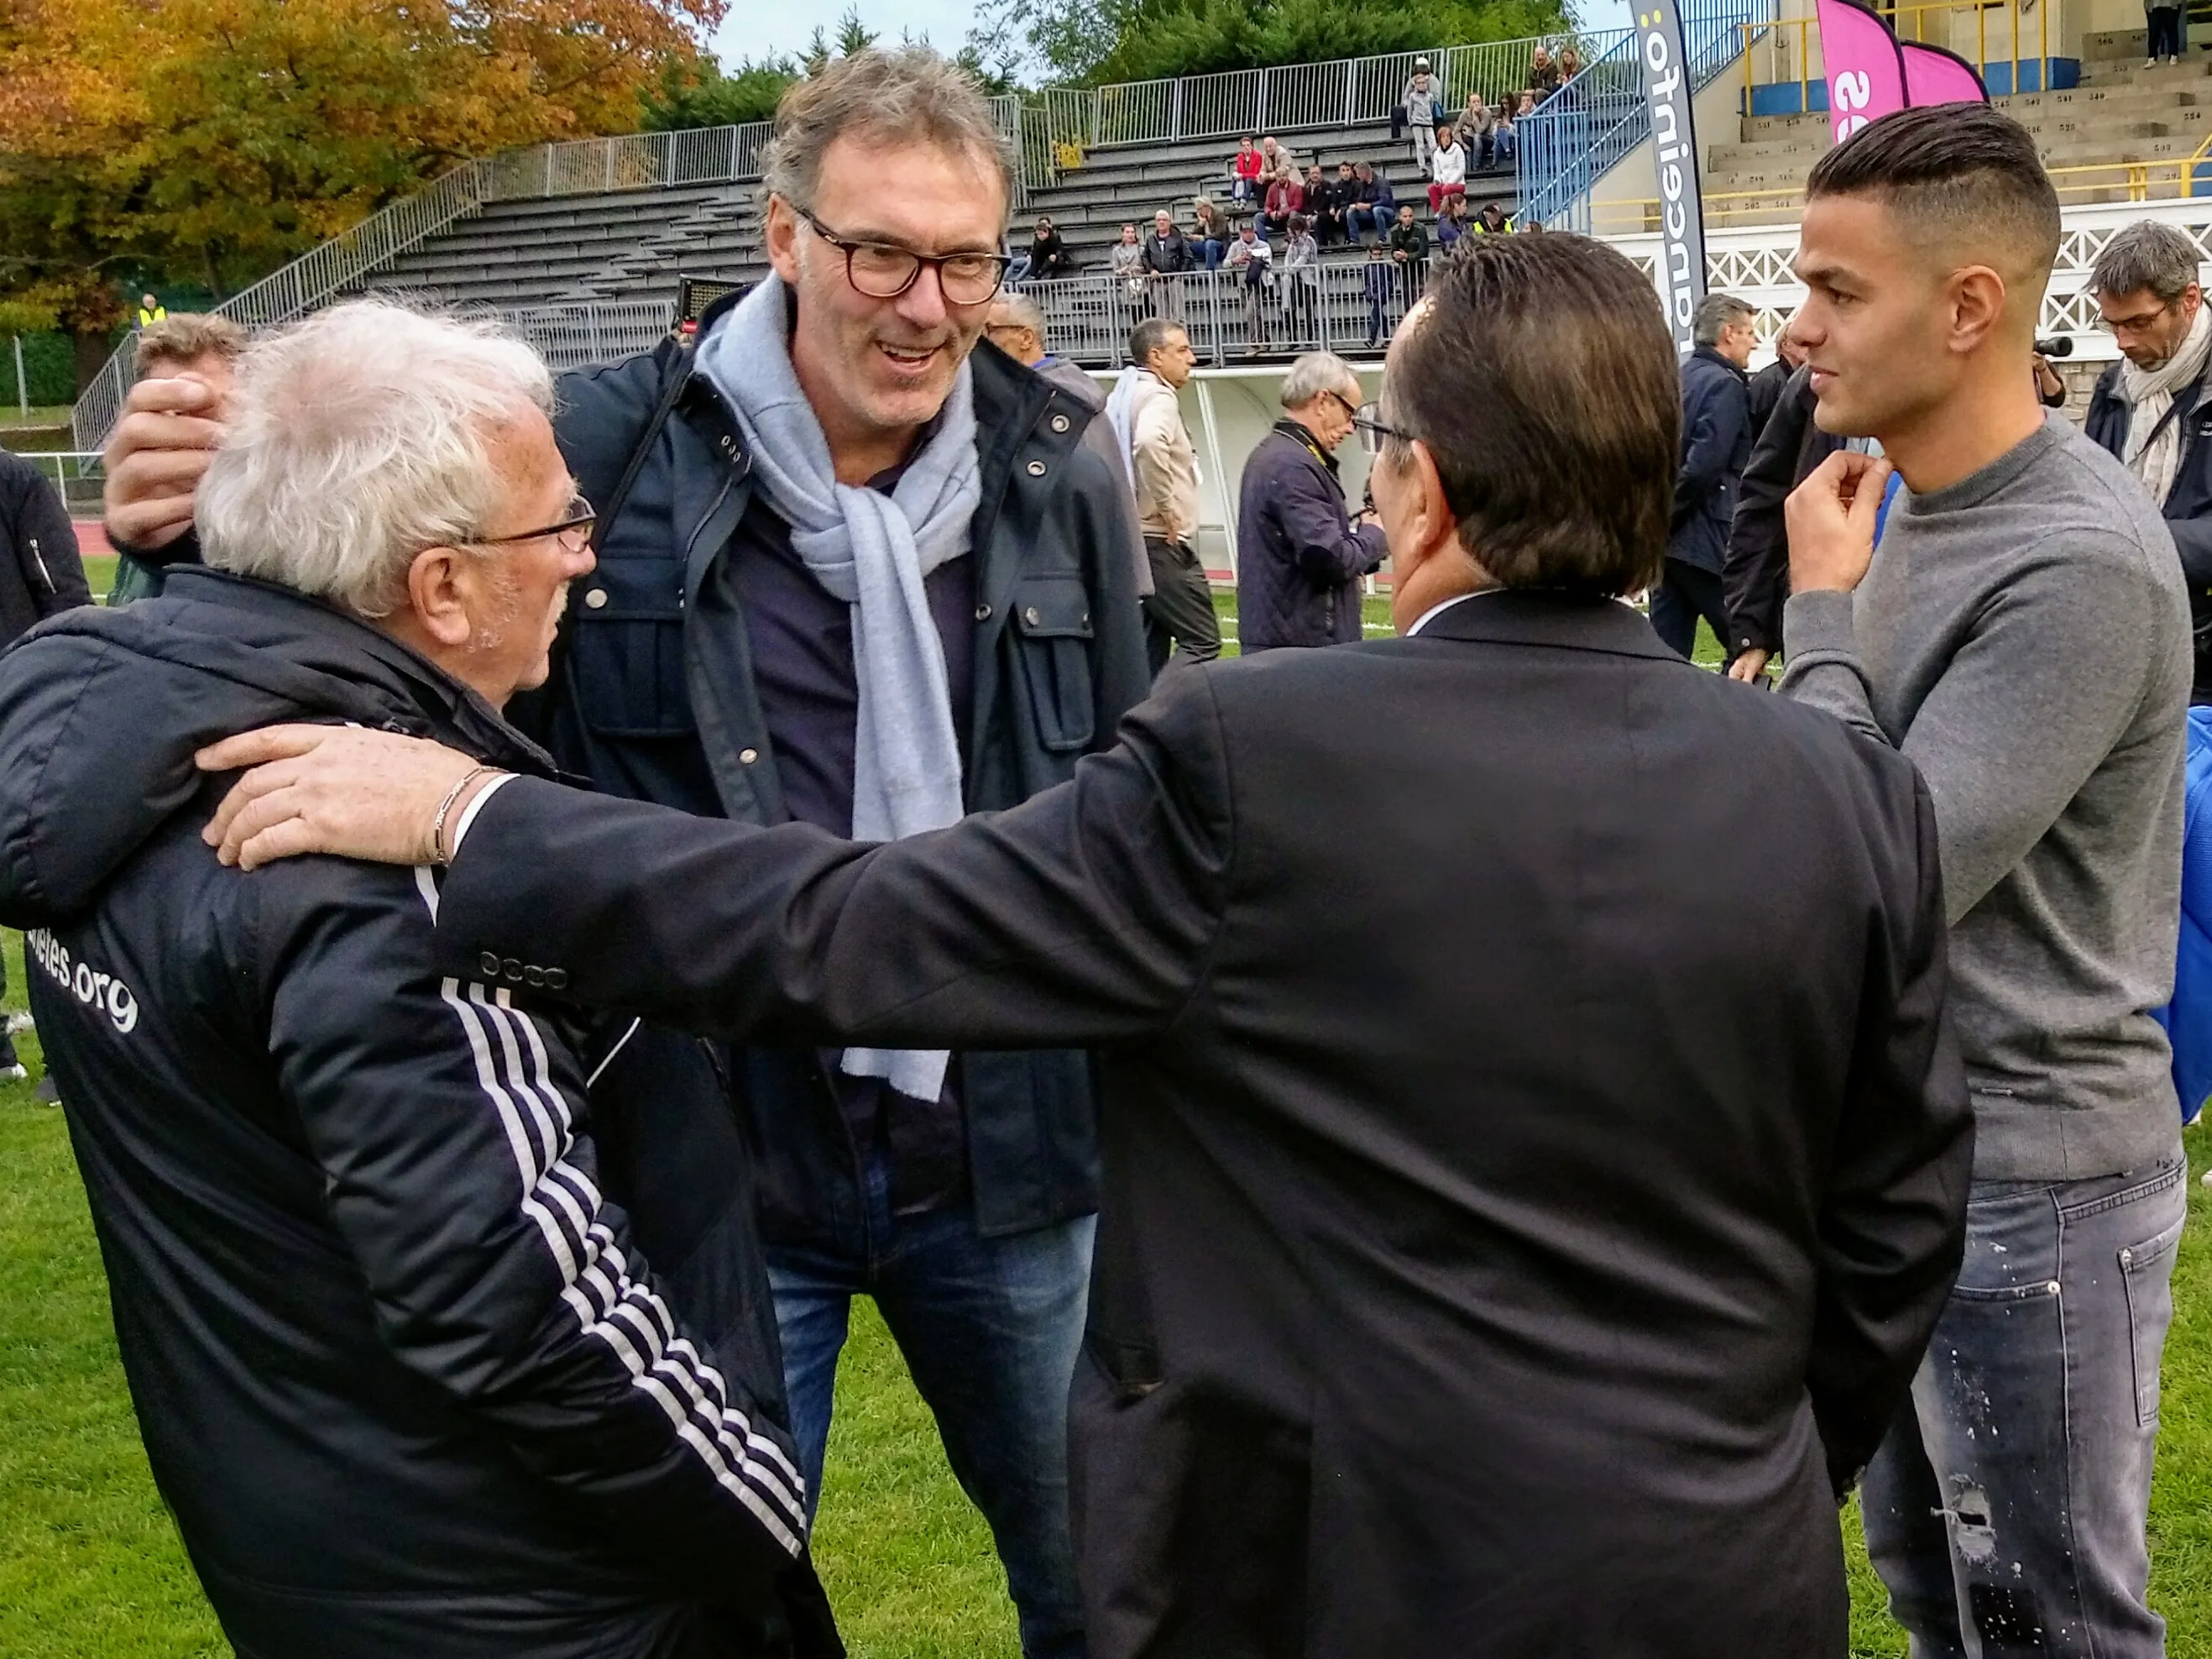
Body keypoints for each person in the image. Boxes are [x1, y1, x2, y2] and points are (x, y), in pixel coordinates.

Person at [195, 232, 1974, 1659]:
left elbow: (848, 929)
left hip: (1326, 1582)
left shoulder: (1256, 756)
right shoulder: (1841, 784)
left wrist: (465, 814)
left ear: (1417, 493)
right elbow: (1893, 1225)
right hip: (1704, 1568)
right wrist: (1744, 1467)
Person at [103, 49, 1148, 1659]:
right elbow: (351, 637)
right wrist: (196, 539)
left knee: (1101, 1582)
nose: (926, 305)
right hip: (718, 1147)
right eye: (881, 251)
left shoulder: (1057, 464)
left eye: (964, 260)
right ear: (783, 235)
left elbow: (1107, 828)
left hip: (1005, 1148)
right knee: (704, 1586)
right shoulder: (595, 452)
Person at [0, 299, 840, 1658]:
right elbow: (515, 1302)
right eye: (559, 526)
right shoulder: (385, 863)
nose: (585, 559)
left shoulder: (117, 754)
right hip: (545, 1600)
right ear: (439, 587)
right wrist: (747, 1500)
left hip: (310, 1554)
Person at [1780, 105, 2189, 1659]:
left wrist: (1819, 622)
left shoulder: (2074, 563)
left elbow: (1871, 879)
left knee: (2048, 1625)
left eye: (1839, 289)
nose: (1802, 326)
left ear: (1968, 310)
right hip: (1906, 1159)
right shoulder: (1907, 506)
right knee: (1933, 1598)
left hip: (2033, 1181)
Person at [2084, 218, 2212, 702]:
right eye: (2112, 324)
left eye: (2139, 322)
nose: (2122, 342)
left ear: (2190, 300)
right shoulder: (2114, 385)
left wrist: (2141, 541)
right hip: (2125, 639)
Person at [0, 447, 92, 1086]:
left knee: (51, 878)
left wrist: (59, 699)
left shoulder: (14, 480)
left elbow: (64, 596)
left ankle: (71, 1050)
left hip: (24, 714)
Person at [985, 291, 1153, 606]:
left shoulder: (1058, 402)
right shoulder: (1052, 395)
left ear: (1025, 337)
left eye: (990, 330)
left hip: (1067, 575)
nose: (981, 342)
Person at [1234, 352, 1385, 650]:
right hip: (1300, 649)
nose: (1351, 428)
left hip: (1288, 643)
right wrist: (1375, 534)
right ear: (1323, 401)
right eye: (1349, 414)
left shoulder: (1282, 455)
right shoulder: (1292, 464)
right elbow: (1329, 558)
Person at [105, 313, 249, 605]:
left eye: (220, 407)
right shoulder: (141, 529)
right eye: (168, 409)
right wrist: (155, 551)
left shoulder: (293, 521)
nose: (190, 433)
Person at [1722, 357, 1843, 682]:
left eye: (1843, 301)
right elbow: (1767, 499)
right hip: (1819, 621)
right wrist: (1754, 631)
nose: (1803, 329)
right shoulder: (1813, 379)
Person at [1111, 317, 1219, 672]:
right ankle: (1168, 716)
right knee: (1202, 641)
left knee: (1148, 646)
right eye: (1183, 350)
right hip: (1161, 542)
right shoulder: (1158, 396)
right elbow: (1149, 442)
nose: (1192, 358)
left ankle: (1136, 720)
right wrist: (1167, 508)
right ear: (1156, 356)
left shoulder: (1124, 393)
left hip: (1133, 539)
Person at [1653, 291, 1756, 661]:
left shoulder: (1679, 378)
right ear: (1729, 333)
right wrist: (1671, 515)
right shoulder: (1726, 385)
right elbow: (1706, 465)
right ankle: (1736, 717)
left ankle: (1663, 717)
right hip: (1707, 539)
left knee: (1665, 653)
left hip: (1670, 546)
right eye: (1749, 333)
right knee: (1746, 642)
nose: (1754, 343)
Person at [1746, 328, 1807, 438]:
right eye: (1803, 343)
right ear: (1786, 345)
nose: (1809, 348)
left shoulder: (1798, 378)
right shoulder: (1768, 380)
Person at [1224, 220, 1274, 353]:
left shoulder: (1263, 245)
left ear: (1254, 232)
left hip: (1258, 283)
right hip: (1242, 284)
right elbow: (1225, 263)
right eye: (1245, 232)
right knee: (1253, 313)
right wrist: (1236, 260)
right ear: (1241, 233)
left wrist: (1255, 258)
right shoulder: (1235, 246)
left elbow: (1269, 262)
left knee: (1250, 312)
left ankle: (1254, 343)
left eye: (1250, 232)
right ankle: (1264, 339)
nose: (1248, 235)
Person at [1142, 207, 1195, 319]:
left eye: (1164, 220)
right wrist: (1151, 269)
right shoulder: (1151, 239)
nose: (1161, 222)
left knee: (1179, 314)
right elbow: (1145, 257)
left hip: (1174, 280)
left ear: (1169, 222)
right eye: (1159, 220)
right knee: (1161, 316)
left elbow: (1188, 256)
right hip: (1158, 281)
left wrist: (1179, 273)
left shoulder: (1178, 237)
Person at [1279, 212, 1321, 344]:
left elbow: (1303, 259)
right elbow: (1288, 257)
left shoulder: (1308, 241)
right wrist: (1287, 270)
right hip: (1294, 280)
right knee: (1290, 309)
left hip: (1308, 280)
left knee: (1309, 310)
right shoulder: (1293, 242)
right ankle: (1293, 339)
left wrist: (1290, 269)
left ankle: (1310, 339)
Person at [1402, 57, 1445, 171]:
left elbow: (1433, 101)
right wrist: (1411, 121)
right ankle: (1422, 166)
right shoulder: (1412, 90)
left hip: (1428, 121)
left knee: (1433, 145)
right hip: (1417, 122)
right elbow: (1406, 100)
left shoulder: (1433, 82)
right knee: (1420, 145)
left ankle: (1435, 164)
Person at [1387, 203, 1429, 308]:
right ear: (1400, 217)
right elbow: (1393, 250)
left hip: (1420, 268)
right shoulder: (1395, 231)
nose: (1408, 219)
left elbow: (1423, 251)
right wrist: (1396, 256)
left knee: (1421, 294)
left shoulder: (1420, 229)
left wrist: (1407, 256)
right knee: (1407, 295)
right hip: (1405, 269)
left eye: (1410, 216)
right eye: (1405, 216)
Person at [1347, 160, 1394, 243]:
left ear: (1364, 172)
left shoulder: (1382, 182)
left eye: (1358, 173)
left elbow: (1384, 201)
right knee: (1350, 212)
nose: (1357, 176)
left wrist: (1368, 206)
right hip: (1370, 212)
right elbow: (1360, 200)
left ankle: (1382, 238)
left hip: (1386, 211)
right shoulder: (1363, 185)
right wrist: (1357, 206)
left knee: (1377, 209)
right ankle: (1354, 239)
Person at [1427, 123, 1467, 215]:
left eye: (1448, 136)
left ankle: (1445, 212)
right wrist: (1437, 180)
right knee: (1431, 188)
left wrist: (1449, 183)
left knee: (1446, 189)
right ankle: (1438, 212)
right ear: (1440, 139)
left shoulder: (1457, 150)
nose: (1446, 139)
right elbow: (1437, 171)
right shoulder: (1437, 153)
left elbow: (1461, 170)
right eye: (1443, 137)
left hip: (1458, 184)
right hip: (1444, 184)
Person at [1363, 239, 1397, 347]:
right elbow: (1365, 282)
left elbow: (1392, 282)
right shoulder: (1367, 268)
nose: (1377, 256)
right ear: (1370, 254)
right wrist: (1367, 293)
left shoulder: (1386, 267)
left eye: (1379, 254)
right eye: (1375, 254)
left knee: (1376, 316)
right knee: (1380, 317)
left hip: (1382, 294)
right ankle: (1387, 339)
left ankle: (1371, 340)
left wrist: (1385, 292)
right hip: (1372, 295)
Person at [1317, 160, 1357, 247]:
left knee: (1344, 214)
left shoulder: (1356, 184)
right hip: (1338, 211)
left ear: (1351, 171)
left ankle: (1348, 238)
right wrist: (1332, 207)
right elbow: (1334, 200)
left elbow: (1354, 200)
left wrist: (1340, 209)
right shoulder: (1336, 185)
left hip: (1349, 209)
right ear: (1339, 173)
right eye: (1343, 170)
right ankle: (1329, 240)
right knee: (1322, 216)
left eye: (1347, 170)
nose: (1346, 173)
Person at [1023, 216, 1075, 282]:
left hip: (1054, 257)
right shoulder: (1038, 238)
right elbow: (1035, 251)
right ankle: (1034, 275)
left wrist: (1056, 255)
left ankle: (1041, 274)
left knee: (1053, 259)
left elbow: (1060, 249)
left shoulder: (1055, 237)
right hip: (1043, 257)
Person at [1190, 196, 1232, 270]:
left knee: (1210, 243)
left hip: (1220, 245)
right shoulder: (1201, 217)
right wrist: (1200, 224)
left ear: (1207, 207)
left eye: (1200, 209)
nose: (1199, 212)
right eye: (1197, 209)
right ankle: (1191, 268)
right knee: (1188, 244)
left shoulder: (1218, 214)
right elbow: (1194, 234)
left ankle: (1210, 271)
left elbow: (1220, 234)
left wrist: (1203, 238)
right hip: (1206, 245)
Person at [1262, 166, 1303, 238]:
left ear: (1287, 176)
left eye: (1283, 175)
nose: (1281, 178)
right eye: (1279, 176)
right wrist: (1270, 212)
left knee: (1293, 213)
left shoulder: (1296, 187)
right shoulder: (1272, 187)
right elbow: (1267, 205)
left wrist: (1283, 212)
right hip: (1277, 216)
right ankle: (1263, 242)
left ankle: (1289, 239)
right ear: (1276, 177)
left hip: (1289, 216)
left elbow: (1298, 205)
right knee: (1259, 217)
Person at [1460, 91, 1496, 170]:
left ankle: (1476, 165)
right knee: (1463, 136)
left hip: (1488, 140)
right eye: (1473, 102)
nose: (1476, 104)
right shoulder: (1465, 114)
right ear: (1469, 104)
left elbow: (1479, 130)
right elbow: (1456, 131)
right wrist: (1463, 144)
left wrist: (1475, 116)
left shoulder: (1486, 113)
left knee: (1477, 136)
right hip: (1473, 140)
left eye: (1478, 101)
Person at [1231, 134, 1265, 209]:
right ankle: (1235, 200)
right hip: (1243, 181)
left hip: (1254, 181)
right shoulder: (1240, 156)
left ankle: (1244, 201)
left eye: (1248, 145)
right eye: (1243, 146)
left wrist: (1242, 176)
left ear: (1251, 146)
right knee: (1234, 179)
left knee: (1249, 180)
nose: (1246, 147)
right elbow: (1239, 170)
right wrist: (1236, 174)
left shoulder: (1258, 156)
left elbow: (1256, 174)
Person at [1434, 192, 1472, 259]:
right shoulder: (1445, 223)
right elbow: (1457, 240)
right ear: (1456, 206)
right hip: (1452, 259)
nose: (1466, 208)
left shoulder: (1462, 220)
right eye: (1464, 206)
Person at [2148, 0, 2183, 64]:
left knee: (2172, 30)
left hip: (2171, 4)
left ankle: (2173, 55)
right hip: (2154, 5)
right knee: (2153, 31)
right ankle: (2152, 57)